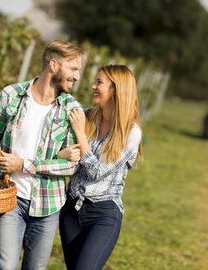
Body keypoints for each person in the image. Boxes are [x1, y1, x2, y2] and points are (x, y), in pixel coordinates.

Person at [0, 40, 83, 270]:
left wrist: (23, 164)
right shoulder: (11, 95)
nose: (77, 77)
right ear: (54, 65)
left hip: (48, 205)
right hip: (10, 197)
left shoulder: (72, 110)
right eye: (73, 69)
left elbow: (71, 167)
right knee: (5, 267)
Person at [59, 64, 143, 270]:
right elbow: (59, 149)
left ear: (116, 90)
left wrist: (80, 134)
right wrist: (61, 154)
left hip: (103, 214)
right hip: (71, 209)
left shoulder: (131, 133)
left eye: (99, 82)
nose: (92, 86)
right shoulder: (86, 116)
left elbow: (96, 171)